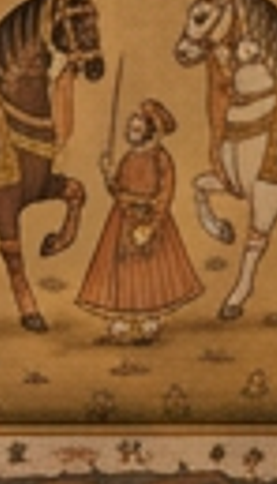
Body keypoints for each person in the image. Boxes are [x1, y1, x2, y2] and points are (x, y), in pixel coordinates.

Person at [75, 100, 203, 344]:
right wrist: (107, 174)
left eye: (137, 127)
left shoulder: (161, 158)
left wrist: (150, 227)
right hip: (121, 221)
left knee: (148, 272)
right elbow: (118, 191)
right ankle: (120, 325)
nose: (131, 131)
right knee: (122, 271)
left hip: (151, 221)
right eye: (130, 128)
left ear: (150, 130)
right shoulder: (128, 157)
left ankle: (148, 325)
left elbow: (165, 196)